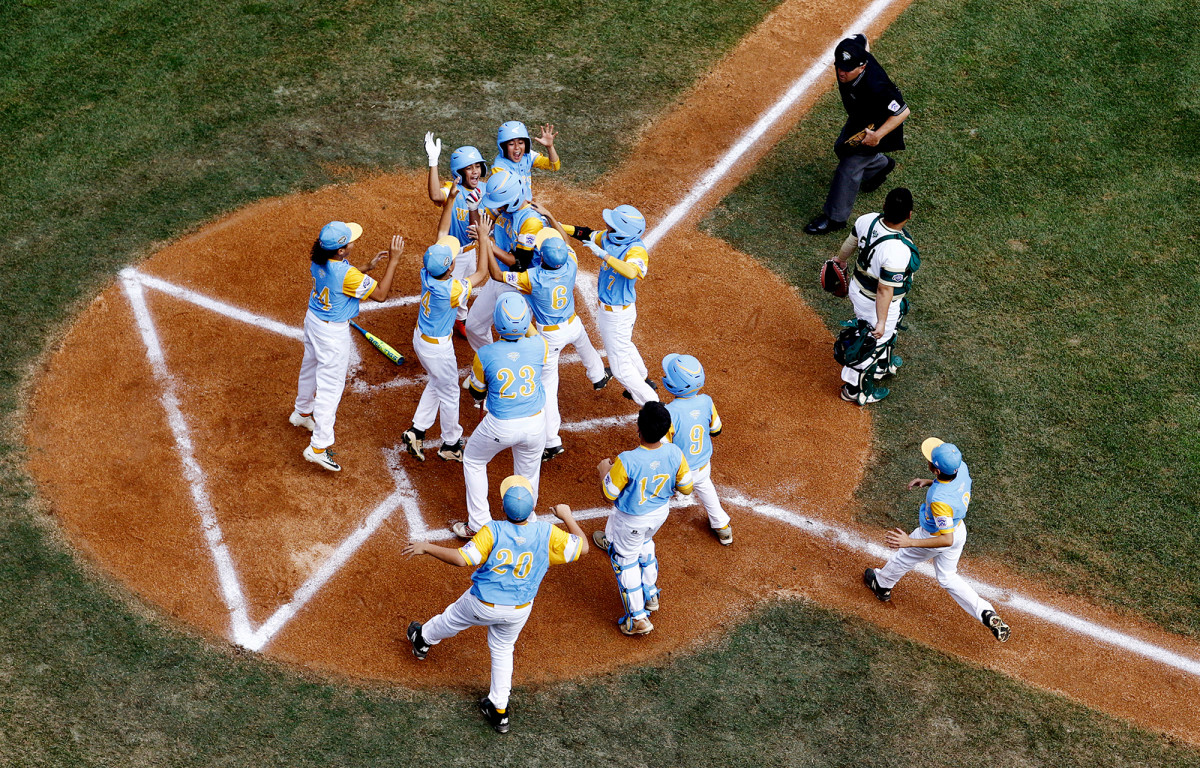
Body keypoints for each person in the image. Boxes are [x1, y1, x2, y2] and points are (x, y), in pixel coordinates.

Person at [404, 475, 588, 733]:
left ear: (502, 508)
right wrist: (566, 516)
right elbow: (583, 548)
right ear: (533, 507)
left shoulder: (493, 530)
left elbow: (462, 558)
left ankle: (422, 640)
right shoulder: (548, 533)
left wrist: (427, 547)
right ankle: (499, 709)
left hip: (482, 604)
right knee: (503, 649)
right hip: (519, 609)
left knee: (451, 618)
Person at [486, 203, 611, 461]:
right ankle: (598, 375)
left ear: (541, 257)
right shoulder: (571, 264)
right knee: (585, 345)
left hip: (549, 335)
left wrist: (487, 245)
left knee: (548, 386)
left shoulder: (533, 277)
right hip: (573, 324)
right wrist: (551, 215)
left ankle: (552, 441)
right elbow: (565, 242)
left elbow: (498, 275)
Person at [862, 438, 1011, 642]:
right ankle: (986, 612)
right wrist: (930, 482)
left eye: (931, 461)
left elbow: (945, 539)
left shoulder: (940, 501)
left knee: (903, 557)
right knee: (948, 577)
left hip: (937, 536)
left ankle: (882, 584)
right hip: (960, 530)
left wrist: (910, 542)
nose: (929, 460)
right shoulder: (962, 468)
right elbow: (952, 487)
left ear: (937, 470)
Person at [291, 221, 404, 471]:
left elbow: (342, 276)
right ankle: (318, 446)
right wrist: (393, 260)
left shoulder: (319, 257)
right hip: (332, 334)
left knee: (309, 367)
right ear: (341, 251)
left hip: (313, 321)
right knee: (331, 388)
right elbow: (381, 294)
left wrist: (368, 267)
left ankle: (301, 413)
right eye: (350, 241)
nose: (354, 242)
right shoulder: (347, 274)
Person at [399, 187, 491, 463]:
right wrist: (484, 240)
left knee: (439, 383)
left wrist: (450, 201)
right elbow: (482, 273)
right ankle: (451, 443)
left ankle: (417, 430)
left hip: (422, 339)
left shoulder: (430, 270)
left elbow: (442, 236)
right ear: (450, 268)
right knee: (450, 391)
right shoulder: (451, 290)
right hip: (436, 348)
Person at [451, 293, 549, 539]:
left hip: (499, 426)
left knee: (474, 460)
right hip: (536, 424)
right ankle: (529, 520)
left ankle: (480, 524)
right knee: (528, 473)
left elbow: (477, 390)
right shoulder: (540, 345)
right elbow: (531, 333)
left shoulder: (485, 354)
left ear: (496, 322)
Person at [594, 401, 693, 636]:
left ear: (638, 428)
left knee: (625, 560)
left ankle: (638, 619)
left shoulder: (627, 460)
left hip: (631, 520)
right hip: (659, 514)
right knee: (646, 544)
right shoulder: (675, 452)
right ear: (667, 429)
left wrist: (603, 471)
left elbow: (609, 494)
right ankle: (651, 595)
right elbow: (687, 488)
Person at [805, 34, 910, 236]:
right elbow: (861, 38)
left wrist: (877, 136)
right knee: (841, 148)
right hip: (861, 116)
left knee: (849, 166)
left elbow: (902, 112)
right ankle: (880, 166)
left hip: (879, 125)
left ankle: (834, 218)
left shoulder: (877, 86)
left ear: (862, 68)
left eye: (848, 69)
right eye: (839, 66)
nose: (841, 72)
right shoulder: (852, 57)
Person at [564, 205, 659, 405]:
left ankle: (654, 405)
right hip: (615, 312)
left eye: (612, 226)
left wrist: (604, 255)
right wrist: (556, 225)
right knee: (625, 345)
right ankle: (643, 378)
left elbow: (633, 272)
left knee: (620, 369)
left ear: (623, 233)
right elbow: (586, 234)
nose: (607, 227)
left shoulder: (636, 250)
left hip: (617, 315)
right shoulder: (609, 238)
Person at [835, 186, 918, 405]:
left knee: (886, 330)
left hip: (858, 288)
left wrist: (840, 261)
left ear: (884, 206)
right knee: (869, 342)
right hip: (876, 301)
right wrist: (880, 322)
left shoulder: (867, 220)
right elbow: (884, 289)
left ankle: (881, 366)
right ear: (910, 214)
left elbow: (850, 243)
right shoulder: (897, 250)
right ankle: (854, 390)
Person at [461, 169, 548, 351]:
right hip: (498, 277)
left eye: (500, 204)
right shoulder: (504, 207)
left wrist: (488, 244)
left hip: (519, 286)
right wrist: (473, 209)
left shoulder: (531, 222)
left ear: (514, 199)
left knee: (514, 339)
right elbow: (478, 229)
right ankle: (489, 364)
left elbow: (519, 264)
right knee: (474, 326)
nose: (497, 208)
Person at [660, 353, 732, 545]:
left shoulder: (669, 412)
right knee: (706, 489)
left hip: (679, 474)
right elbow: (716, 430)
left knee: (654, 496)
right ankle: (723, 528)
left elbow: (663, 447)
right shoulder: (707, 401)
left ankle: (629, 533)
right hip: (703, 466)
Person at [424, 133, 488, 339]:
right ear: (459, 172)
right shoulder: (453, 190)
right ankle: (455, 320)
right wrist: (433, 162)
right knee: (456, 289)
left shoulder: (484, 190)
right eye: (470, 168)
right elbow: (435, 195)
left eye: (477, 166)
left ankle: (460, 317)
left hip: (471, 250)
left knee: (466, 287)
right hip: (454, 254)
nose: (475, 171)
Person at [490, 120, 560, 205]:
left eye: (520, 143)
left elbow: (554, 166)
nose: (517, 148)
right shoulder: (499, 167)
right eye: (511, 144)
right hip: (510, 208)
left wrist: (550, 147)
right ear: (503, 147)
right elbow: (505, 197)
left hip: (525, 205)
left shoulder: (528, 155)